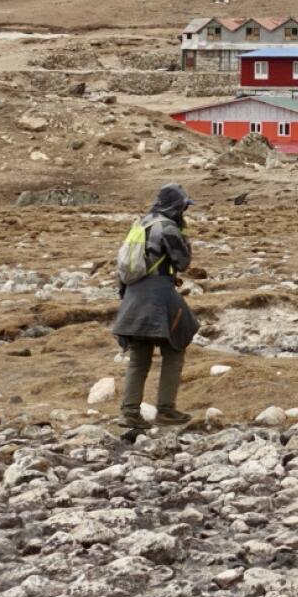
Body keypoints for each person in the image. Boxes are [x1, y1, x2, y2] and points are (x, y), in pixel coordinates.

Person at [113, 182, 201, 433]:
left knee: (139, 357)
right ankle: (166, 409)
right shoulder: (168, 228)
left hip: (134, 295)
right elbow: (182, 262)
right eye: (183, 206)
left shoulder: (142, 223)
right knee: (175, 347)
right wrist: (185, 237)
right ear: (177, 206)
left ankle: (129, 412)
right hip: (159, 294)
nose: (185, 211)